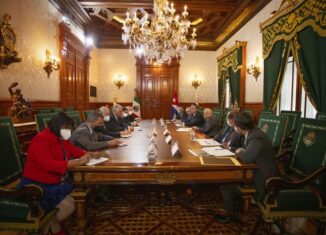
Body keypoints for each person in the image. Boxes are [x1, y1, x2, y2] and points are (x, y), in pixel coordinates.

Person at [19, 112, 93, 235]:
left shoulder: (61, 138)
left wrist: (88, 154)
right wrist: (78, 162)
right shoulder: (41, 139)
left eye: (69, 128)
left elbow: (74, 151)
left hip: (57, 181)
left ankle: (52, 224)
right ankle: (51, 224)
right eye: (67, 128)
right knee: (77, 194)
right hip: (37, 186)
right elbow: (49, 165)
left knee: (83, 189)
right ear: (58, 126)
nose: (68, 131)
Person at [218, 112, 277, 222]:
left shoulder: (255, 137)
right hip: (258, 169)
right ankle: (235, 206)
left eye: (235, 126)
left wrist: (240, 151)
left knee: (225, 185)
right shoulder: (253, 133)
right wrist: (242, 151)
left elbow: (247, 158)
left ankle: (228, 214)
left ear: (240, 127)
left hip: (264, 180)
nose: (234, 128)